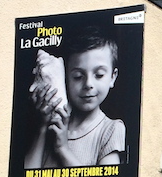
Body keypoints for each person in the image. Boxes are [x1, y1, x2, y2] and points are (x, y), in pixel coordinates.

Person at [24, 27, 126, 169]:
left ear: (112, 77)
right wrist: (41, 127)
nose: (88, 84)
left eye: (99, 75)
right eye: (78, 77)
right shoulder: (51, 127)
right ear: (65, 78)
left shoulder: (111, 129)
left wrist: (62, 148)